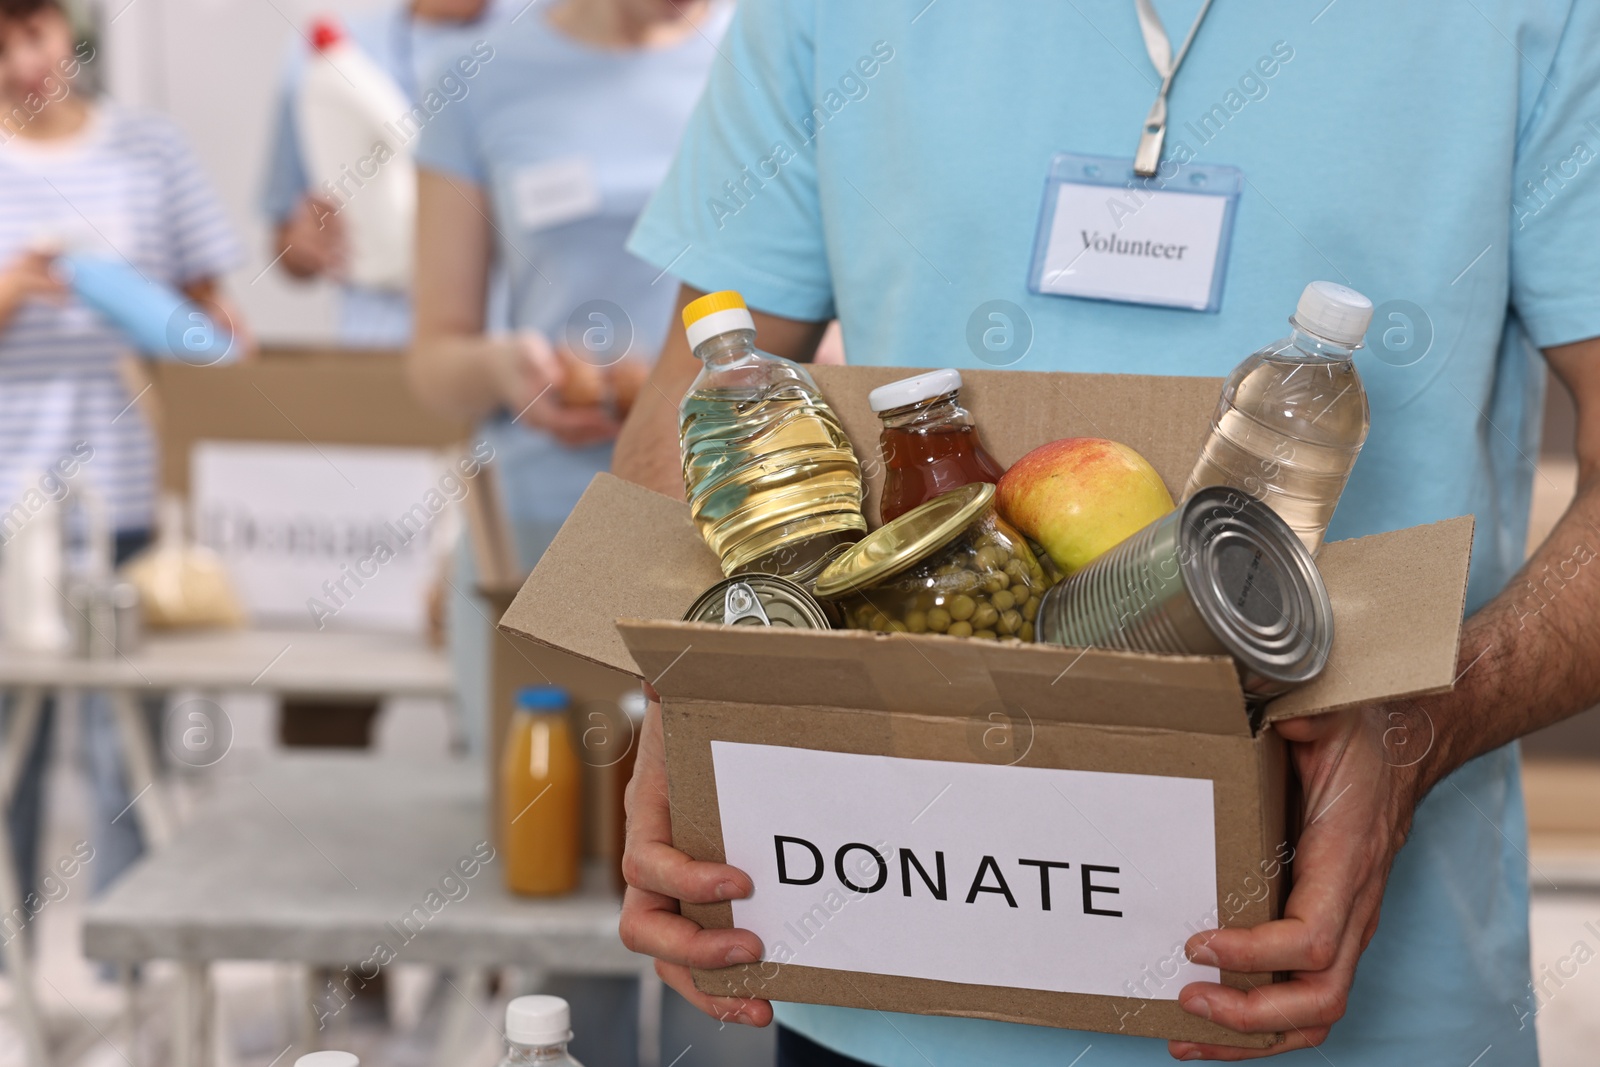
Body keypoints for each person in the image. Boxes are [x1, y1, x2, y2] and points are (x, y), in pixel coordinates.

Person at [611, 1, 1600, 1064]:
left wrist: (1420, 731)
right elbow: (704, 390)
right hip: (883, 968)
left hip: (1360, 1007)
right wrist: (698, 682)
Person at [408, 1, 780, 1063]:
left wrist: (677, 399)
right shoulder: (478, 76)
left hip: (725, 528)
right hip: (534, 539)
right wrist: (509, 368)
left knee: (727, 905)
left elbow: (825, 321)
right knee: (558, 893)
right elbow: (432, 356)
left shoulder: (761, 59)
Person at [0, 0, 241, 901]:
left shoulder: (151, 150)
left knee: (127, 758)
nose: (27, 62)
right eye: (0, 48)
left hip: (127, 501)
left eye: (36, 33)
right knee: (7, 763)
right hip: (8, 507)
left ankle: (131, 977)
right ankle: (11, 977)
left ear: (69, 23)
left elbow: (213, 320)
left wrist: (171, 319)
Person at [259, 0, 496, 348]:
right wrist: (305, 242)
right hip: (378, 349)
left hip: (514, 359)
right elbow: (285, 237)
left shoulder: (546, 44)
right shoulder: (324, 55)